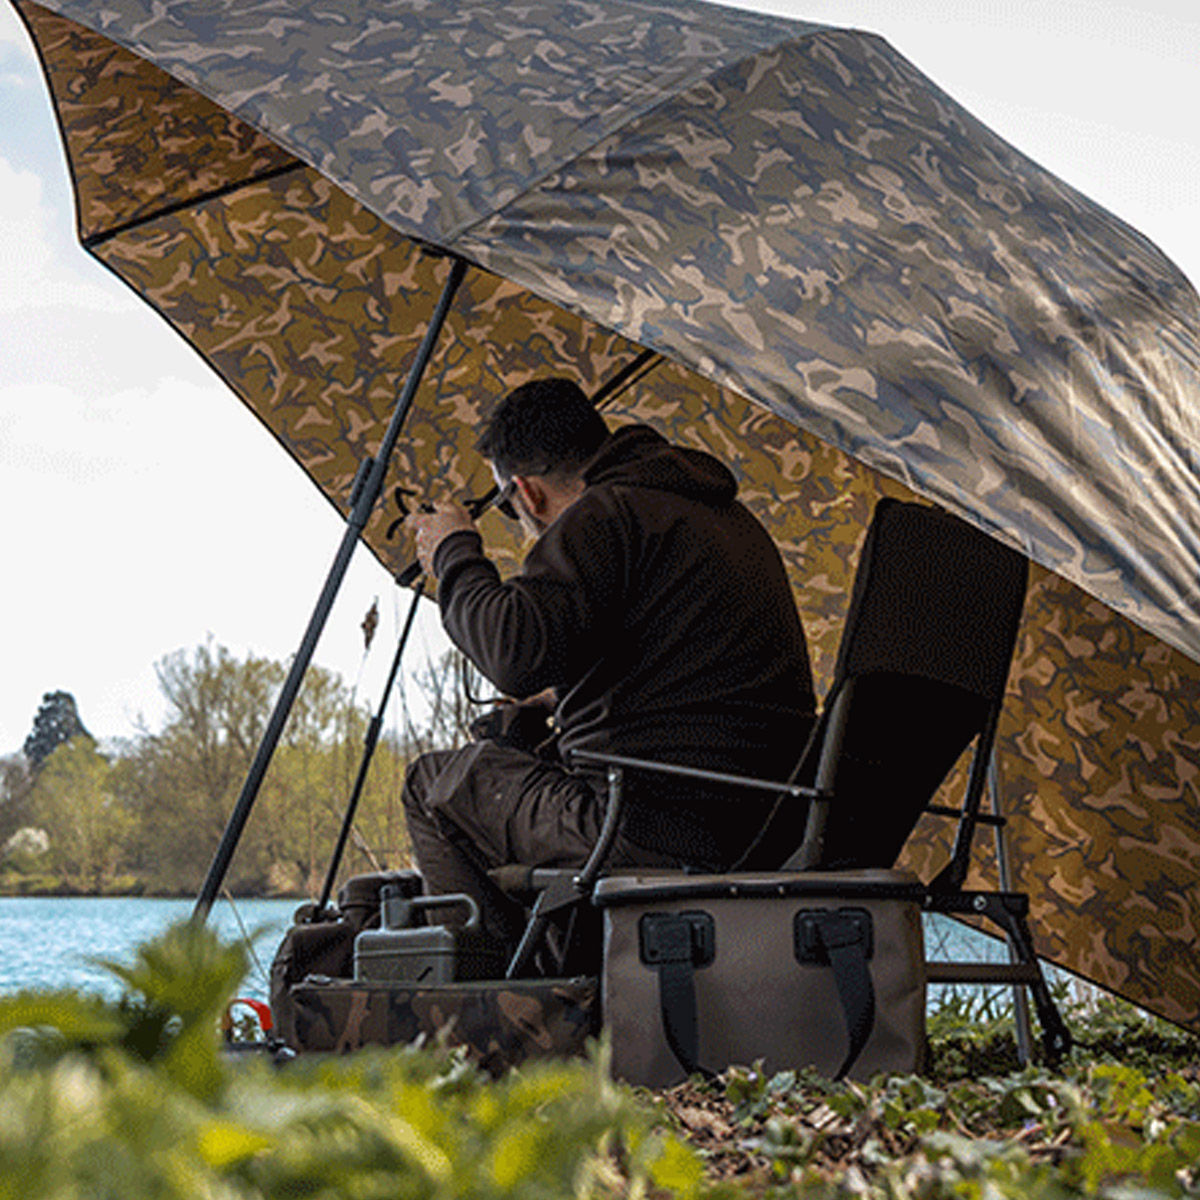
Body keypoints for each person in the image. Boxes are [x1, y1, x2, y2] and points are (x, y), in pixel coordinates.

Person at [404, 377, 817, 947]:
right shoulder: (718, 517)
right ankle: (565, 975)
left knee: (432, 783)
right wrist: (557, 698)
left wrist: (453, 551)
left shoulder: (603, 514)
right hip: (765, 821)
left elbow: (510, 650)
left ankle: (498, 1010)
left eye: (506, 508)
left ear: (525, 493)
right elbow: (679, 662)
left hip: (644, 820)